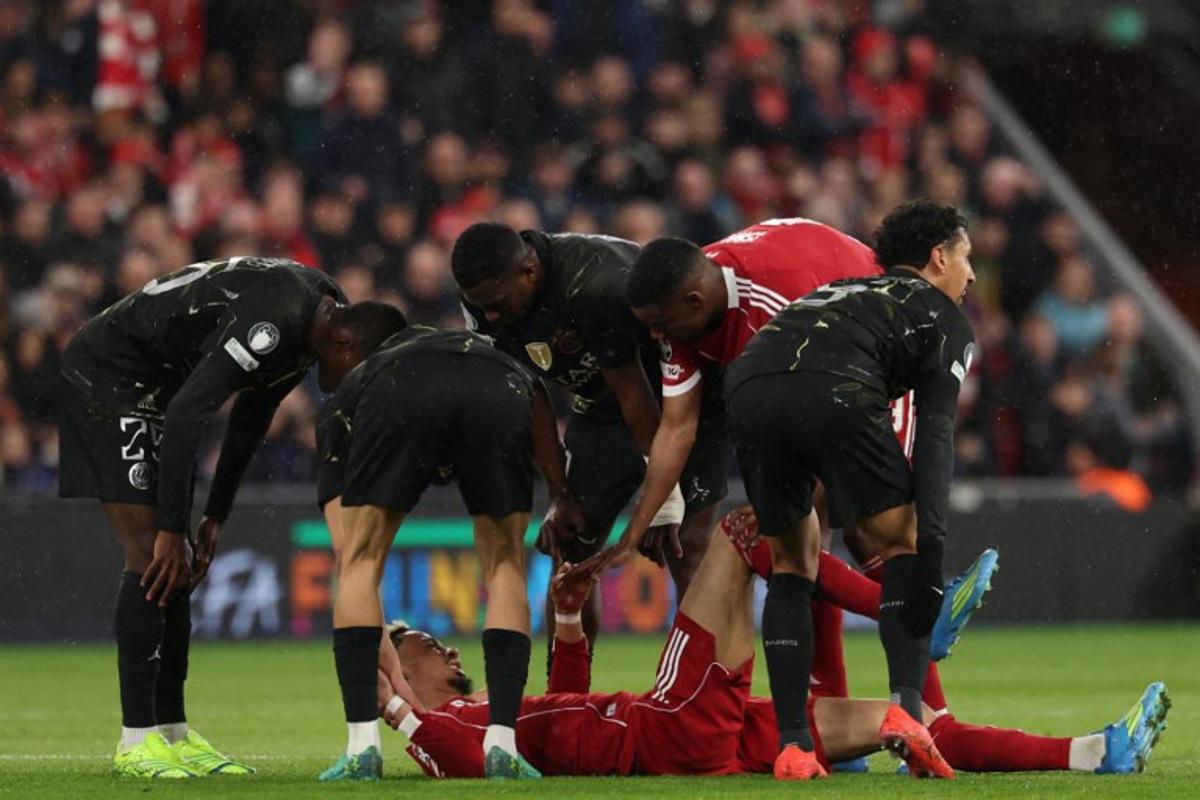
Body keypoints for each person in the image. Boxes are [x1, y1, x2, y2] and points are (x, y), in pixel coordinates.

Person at [373, 513, 1170, 780]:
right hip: (666, 724)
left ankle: (1094, 753)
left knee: (911, 717)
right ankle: (907, 617)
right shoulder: (446, 737)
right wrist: (390, 705)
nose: (435, 641)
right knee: (749, 530)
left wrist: (572, 621)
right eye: (413, 641)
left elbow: (565, 700)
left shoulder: (486, 715)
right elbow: (448, 749)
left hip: (713, 743)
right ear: (398, 675)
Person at [58, 256, 368, 778]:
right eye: (358, 372)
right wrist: (173, 528)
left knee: (175, 565)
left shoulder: (315, 318)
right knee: (149, 555)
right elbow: (186, 413)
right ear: (343, 344)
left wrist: (215, 517)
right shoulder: (275, 321)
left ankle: (173, 734)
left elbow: (249, 420)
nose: (349, 387)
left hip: (158, 382)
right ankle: (136, 741)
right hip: (110, 374)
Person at [722, 200, 976, 779]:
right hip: (833, 387)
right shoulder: (942, 318)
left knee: (792, 563)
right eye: (966, 257)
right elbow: (935, 438)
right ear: (938, 258)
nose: (972, 274)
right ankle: (907, 715)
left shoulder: (843, 291)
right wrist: (930, 549)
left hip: (749, 383)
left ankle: (792, 747)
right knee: (901, 541)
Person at [450, 222, 728, 648]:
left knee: (685, 544)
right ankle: (565, 698)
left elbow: (633, 389)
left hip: (687, 399)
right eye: (480, 305)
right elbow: (530, 394)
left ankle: (709, 697)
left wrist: (665, 495)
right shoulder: (486, 300)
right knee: (571, 550)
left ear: (528, 272)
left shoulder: (594, 282)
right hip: (602, 408)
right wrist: (559, 491)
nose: (490, 316)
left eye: (497, 304)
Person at [315, 320, 570, 781]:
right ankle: (502, 745)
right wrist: (560, 493)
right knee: (505, 565)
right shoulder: (486, 352)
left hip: (403, 389)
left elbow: (345, 553)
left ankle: (361, 749)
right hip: (498, 382)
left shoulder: (359, 381)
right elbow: (537, 401)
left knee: (361, 561)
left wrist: (390, 679)